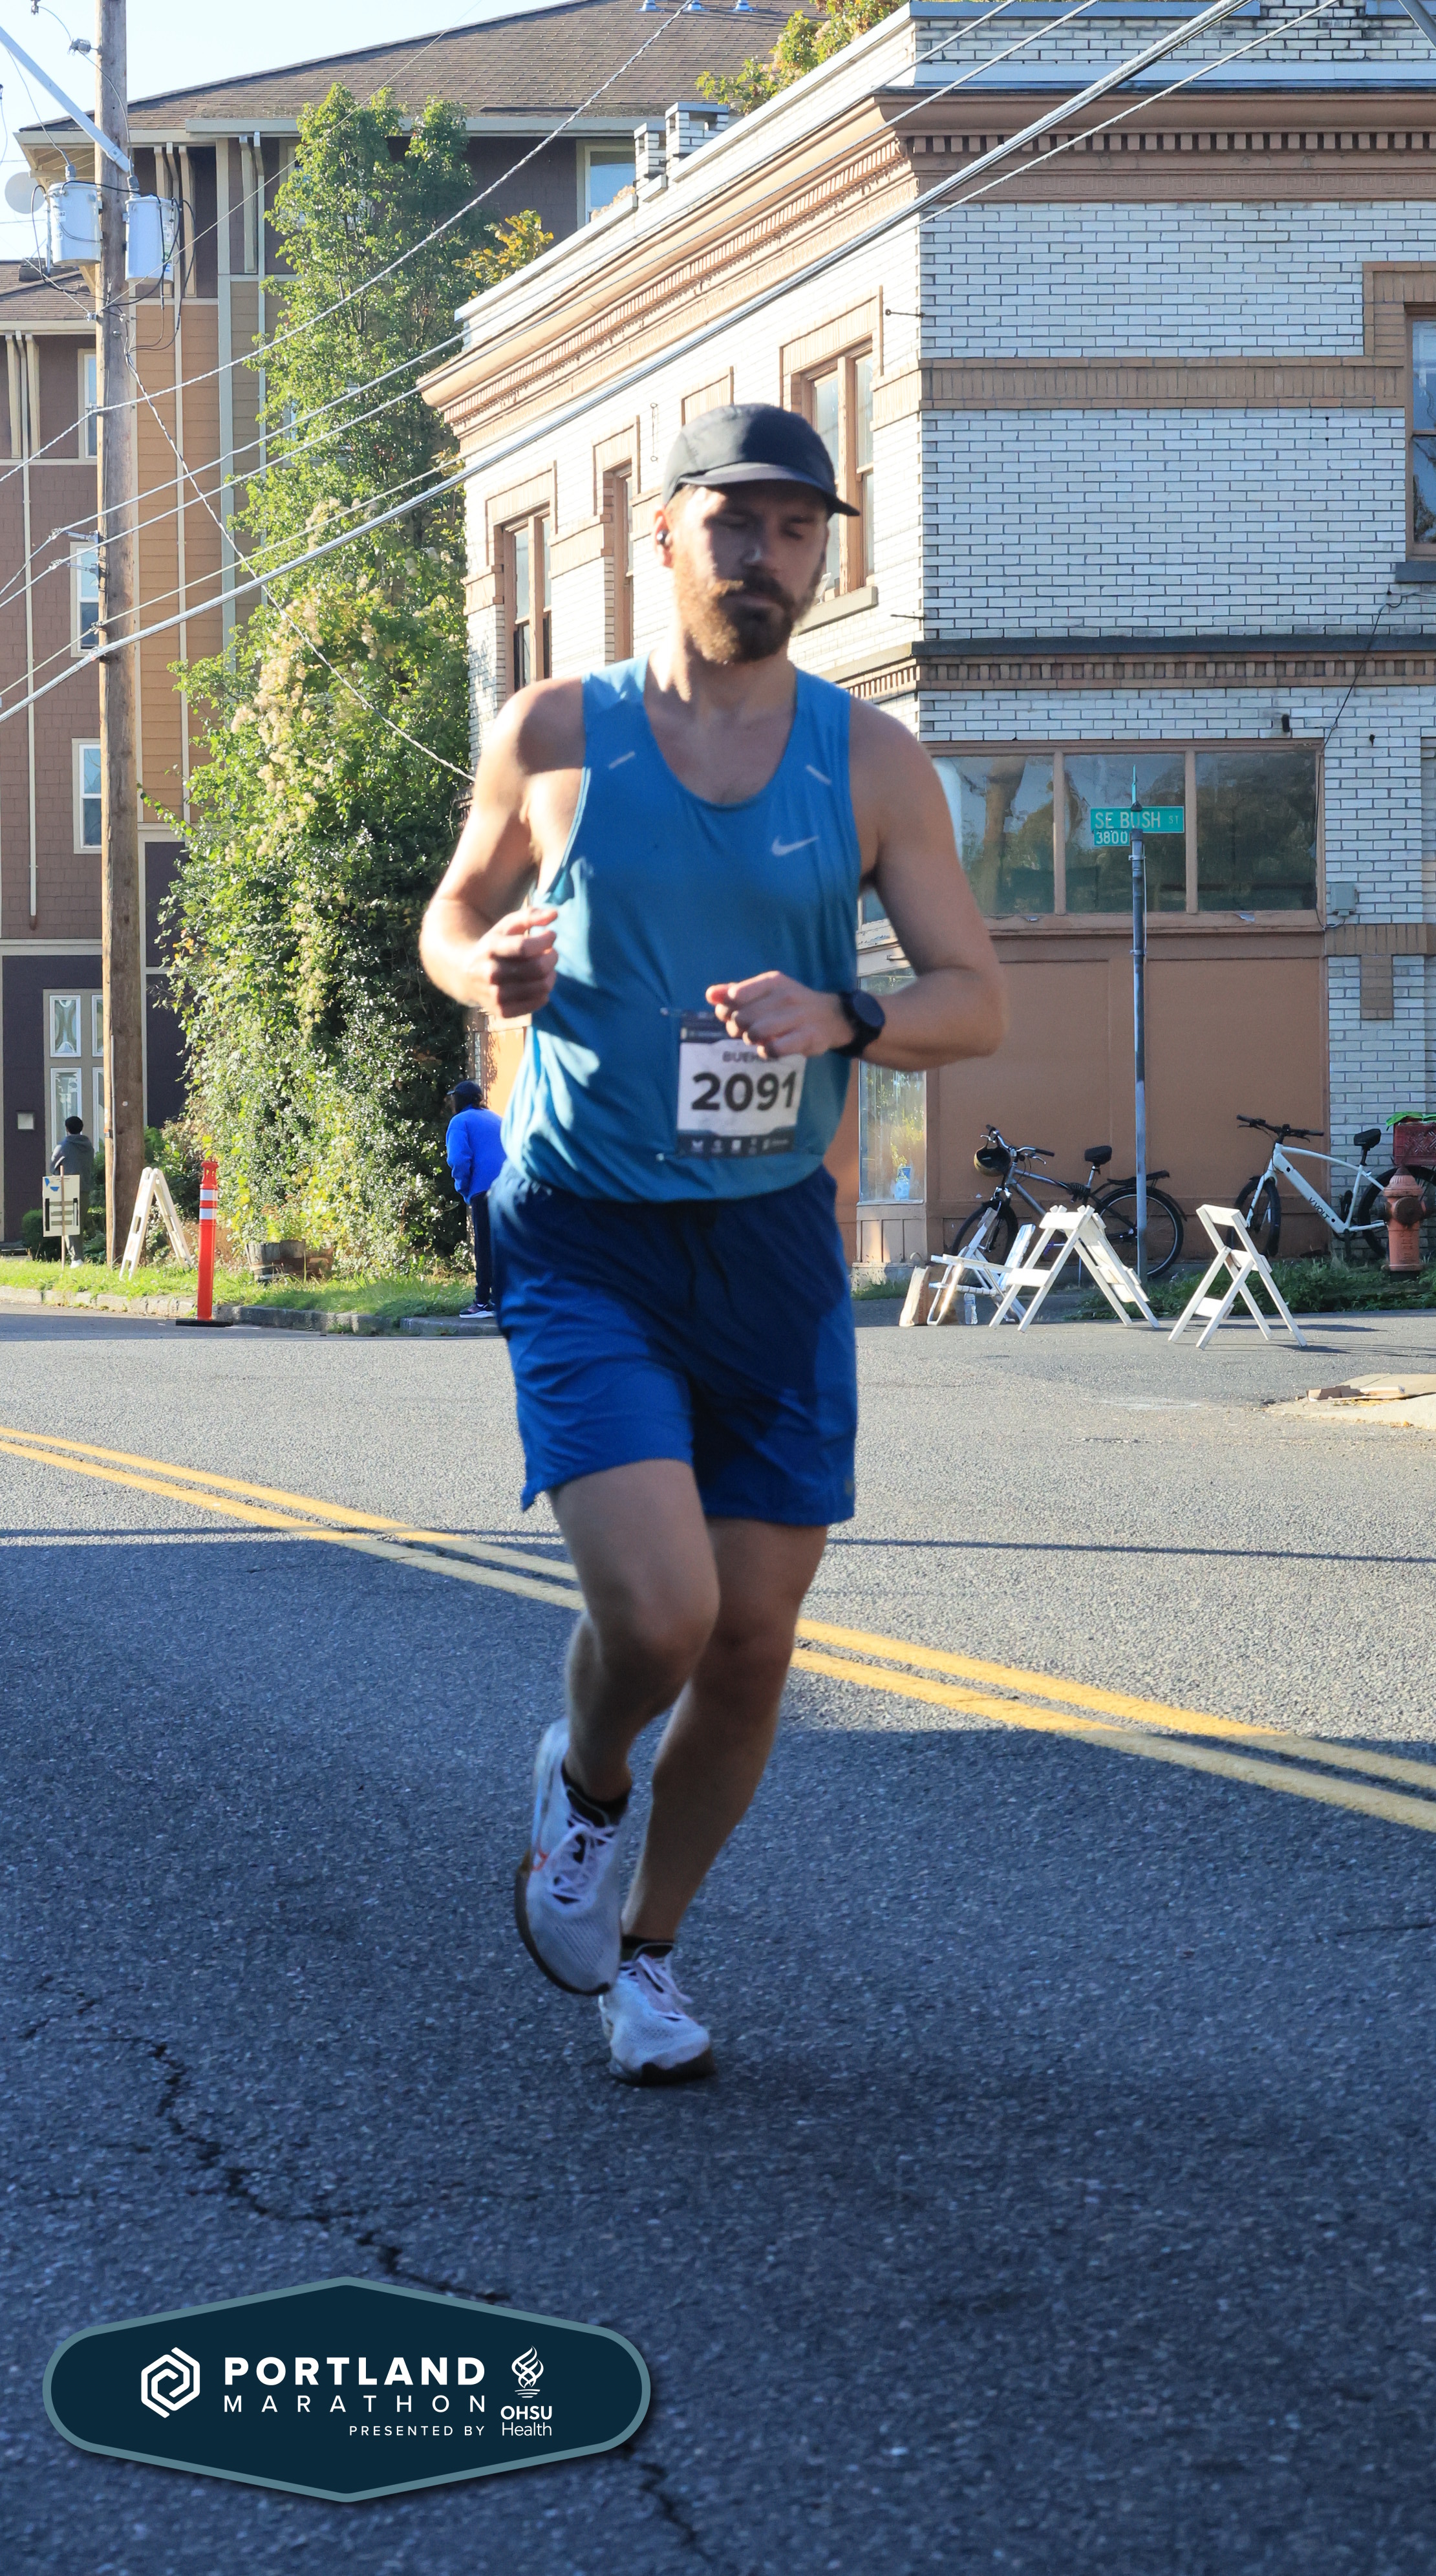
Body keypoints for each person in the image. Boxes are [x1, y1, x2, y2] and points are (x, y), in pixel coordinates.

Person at [420, 402, 1004, 2084]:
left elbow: (973, 997)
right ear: (663, 534)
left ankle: (649, 1958)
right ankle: (587, 1782)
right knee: (663, 1615)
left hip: (771, 1249)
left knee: (751, 1642)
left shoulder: (870, 761)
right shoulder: (558, 730)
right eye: (736, 523)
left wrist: (850, 1014)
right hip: (586, 1233)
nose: (767, 557)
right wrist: (485, 973)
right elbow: (454, 913)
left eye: (798, 529)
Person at [445, 1079, 506, 1315]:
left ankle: (482, 1302)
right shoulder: (496, 1118)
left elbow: (459, 1159)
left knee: (484, 1246)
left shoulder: (460, 1121)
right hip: (512, 1186)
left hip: (484, 1188)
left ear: (459, 1101)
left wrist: (464, 1189)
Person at [50, 1114, 96, 1265]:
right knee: (79, 1224)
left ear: (67, 1129)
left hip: (68, 1187)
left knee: (68, 1223)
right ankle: (79, 1256)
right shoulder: (88, 1146)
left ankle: (76, 1259)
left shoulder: (63, 1146)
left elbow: (53, 1167)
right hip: (84, 1188)